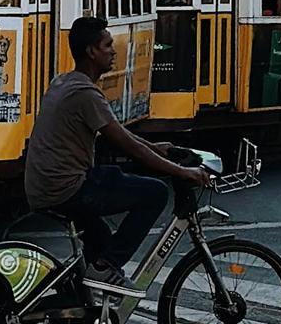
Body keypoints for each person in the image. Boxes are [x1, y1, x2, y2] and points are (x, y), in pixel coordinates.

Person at [24, 17, 209, 295]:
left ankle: (77, 297)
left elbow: (119, 133)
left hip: (46, 187)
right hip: (67, 188)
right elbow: (127, 145)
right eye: (108, 45)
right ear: (91, 52)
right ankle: (106, 268)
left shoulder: (64, 82)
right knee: (155, 193)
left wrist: (155, 147)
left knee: (99, 238)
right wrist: (180, 171)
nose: (114, 51)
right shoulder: (86, 94)